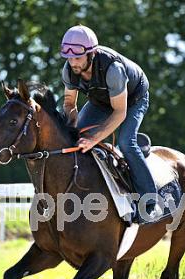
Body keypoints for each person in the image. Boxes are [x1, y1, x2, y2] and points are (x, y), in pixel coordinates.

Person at [60, 24, 161, 224]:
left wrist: (94, 138)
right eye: (69, 58)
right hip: (101, 101)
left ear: (92, 53)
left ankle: (150, 202)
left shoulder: (113, 69)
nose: (73, 63)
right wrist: (73, 128)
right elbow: (69, 103)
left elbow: (119, 112)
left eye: (78, 58)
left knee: (125, 141)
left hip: (131, 100)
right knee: (74, 138)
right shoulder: (69, 70)